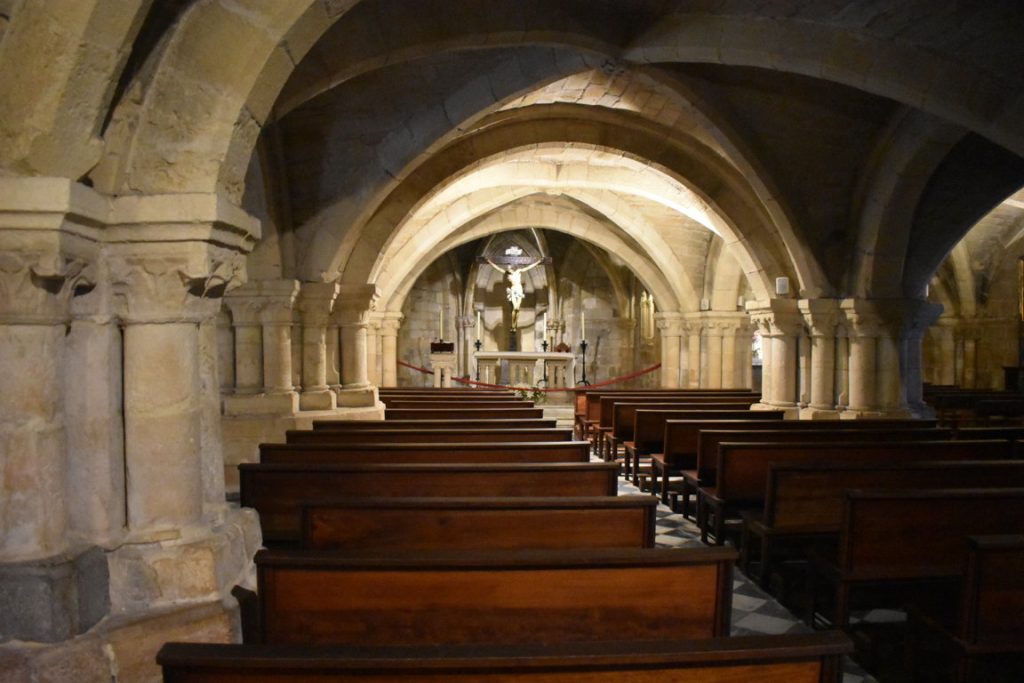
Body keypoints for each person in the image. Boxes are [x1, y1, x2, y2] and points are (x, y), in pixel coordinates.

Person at [484, 256, 543, 329]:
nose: (509, 267)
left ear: (513, 266)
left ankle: (514, 324)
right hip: (513, 289)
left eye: (509, 266)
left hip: (519, 289)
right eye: (508, 267)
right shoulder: (508, 273)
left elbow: (529, 267)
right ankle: (513, 324)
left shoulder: (519, 271)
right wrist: (489, 262)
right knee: (514, 308)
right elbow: (498, 268)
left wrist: (538, 262)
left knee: (517, 309)